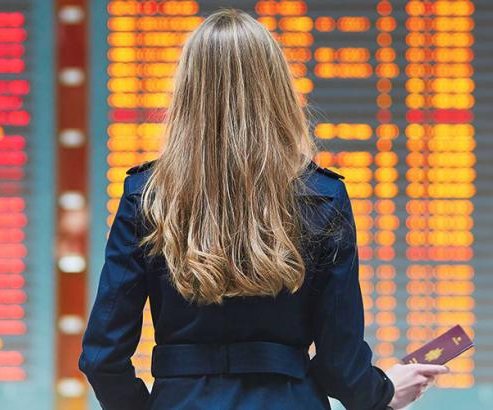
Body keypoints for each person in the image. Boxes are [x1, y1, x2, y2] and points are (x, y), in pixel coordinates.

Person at [79, 8, 448, 410]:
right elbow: (339, 363)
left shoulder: (146, 195)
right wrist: (384, 392)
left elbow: (103, 358)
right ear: (277, 87)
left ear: (186, 91)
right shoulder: (323, 196)